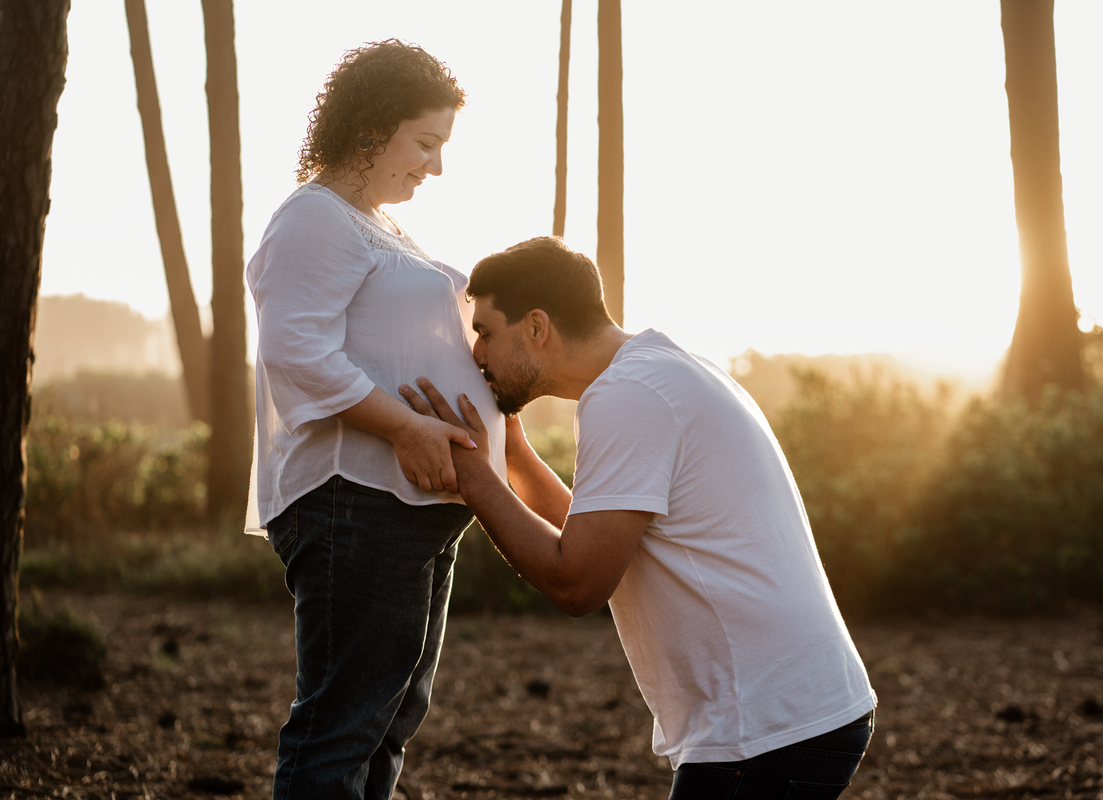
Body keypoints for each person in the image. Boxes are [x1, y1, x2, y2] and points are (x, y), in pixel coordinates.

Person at [400, 236, 877, 800]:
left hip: (767, 727)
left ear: (536, 327)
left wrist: (473, 476)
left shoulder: (628, 396)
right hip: (798, 714)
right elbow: (594, 534)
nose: (475, 353)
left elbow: (577, 582)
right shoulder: (660, 373)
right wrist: (514, 458)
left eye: (484, 332)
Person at [245, 40, 505, 800]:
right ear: (369, 128)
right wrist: (406, 428)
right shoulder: (314, 218)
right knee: (342, 726)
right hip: (354, 503)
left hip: (409, 508)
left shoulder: (375, 224)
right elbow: (295, 352)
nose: (436, 166)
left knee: (388, 723)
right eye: (424, 142)